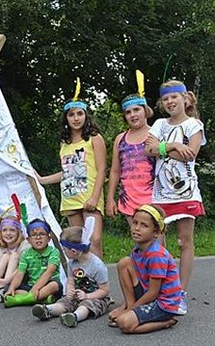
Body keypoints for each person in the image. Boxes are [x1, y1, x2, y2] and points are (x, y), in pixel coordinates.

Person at [144, 80, 205, 315]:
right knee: (158, 244)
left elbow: (190, 155)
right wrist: (174, 145)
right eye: (166, 99)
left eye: (175, 97)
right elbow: (147, 150)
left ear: (185, 99)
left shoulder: (194, 125)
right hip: (161, 194)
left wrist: (162, 148)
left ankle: (181, 293)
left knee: (184, 242)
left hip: (186, 192)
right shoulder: (159, 124)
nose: (170, 102)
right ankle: (161, 290)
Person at [37, 82, 106, 258]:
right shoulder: (64, 144)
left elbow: (101, 169)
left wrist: (95, 197)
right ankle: (85, 282)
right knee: (77, 243)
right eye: (71, 115)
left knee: (94, 240)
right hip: (71, 198)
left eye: (80, 114)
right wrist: (42, 179)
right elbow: (68, 172)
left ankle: (101, 282)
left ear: (86, 116)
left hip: (89, 196)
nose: (76, 118)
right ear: (66, 118)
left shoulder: (94, 139)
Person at [108, 205, 182, 333]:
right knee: (124, 263)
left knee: (123, 323)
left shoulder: (156, 255)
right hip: (148, 293)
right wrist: (128, 308)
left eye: (144, 225)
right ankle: (129, 305)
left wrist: (130, 313)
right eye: (135, 223)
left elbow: (153, 292)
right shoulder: (138, 249)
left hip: (163, 304)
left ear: (156, 232)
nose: (136, 228)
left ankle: (166, 322)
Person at [31, 220, 111, 328]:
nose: (63, 252)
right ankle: (48, 310)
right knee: (65, 302)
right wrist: (69, 290)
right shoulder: (72, 263)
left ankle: (75, 316)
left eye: (64, 250)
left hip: (96, 297)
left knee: (86, 306)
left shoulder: (98, 266)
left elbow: (105, 290)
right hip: (77, 295)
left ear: (74, 251)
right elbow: (71, 281)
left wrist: (87, 296)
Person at [106, 93, 155, 224]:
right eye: (128, 112)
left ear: (145, 110)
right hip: (129, 198)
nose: (133, 115)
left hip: (154, 197)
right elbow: (115, 171)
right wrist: (110, 198)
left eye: (137, 110)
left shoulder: (156, 133)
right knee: (138, 238)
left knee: (156, 240)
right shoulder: (120, 139)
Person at [4, 219, 62, 307]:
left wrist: (36, 288)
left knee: (54, 285)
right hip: (31, 286)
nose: (38, 238)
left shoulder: (53, 251)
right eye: (34, 235)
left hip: (47, 284)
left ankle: (24, 300)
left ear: (49, 238)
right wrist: (12, 288)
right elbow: (20, 273)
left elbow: (49, 272)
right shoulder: (26, 254)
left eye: (42, 234)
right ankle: (42, 299)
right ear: (28, 240)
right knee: (9, 288)